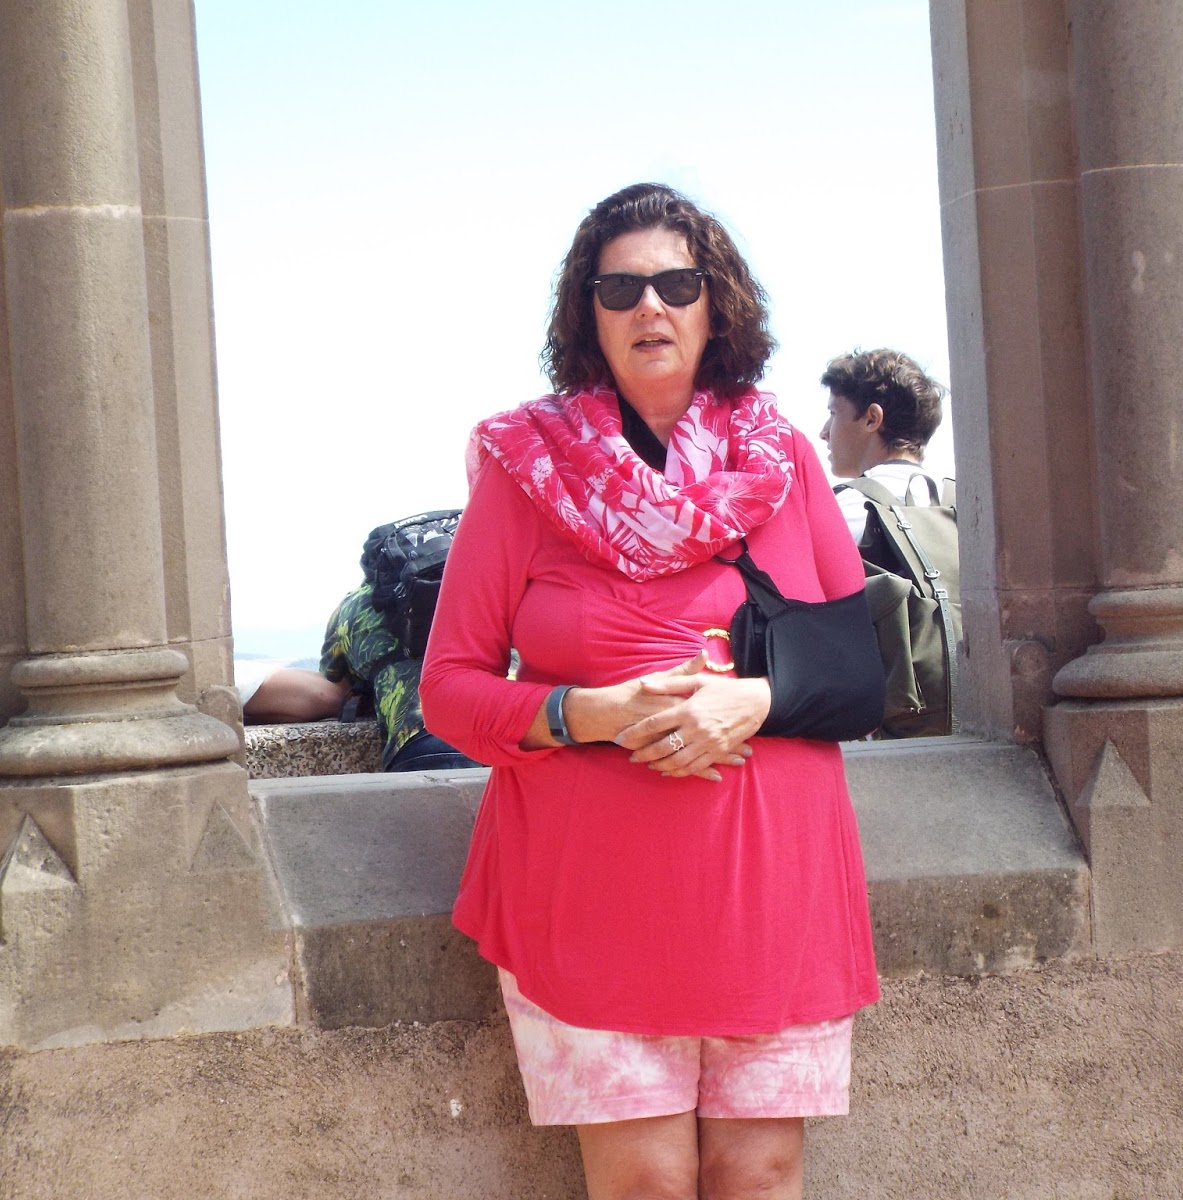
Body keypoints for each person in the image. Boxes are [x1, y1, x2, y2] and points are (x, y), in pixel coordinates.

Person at [420, 182, 879, 1200]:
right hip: (590, 894)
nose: (649, 307)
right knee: (646, 1183)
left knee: (760, 1174)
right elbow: (447, 689)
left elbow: (858, 674)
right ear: (587, 314)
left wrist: (753, 701)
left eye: (675, 284)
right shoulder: (524, 468)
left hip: (771, 890)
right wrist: (584, 714)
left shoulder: (784, 459)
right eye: (619, 289)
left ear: (717, 303)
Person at [322, 583, 479, 772]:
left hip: (420, 741)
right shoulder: (475, 587)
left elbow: (333, 683)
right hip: (496, 732)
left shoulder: (353, 606)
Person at [818, 348, 947, 542]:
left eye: (833, 413)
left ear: (872, 419)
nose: (824, 433)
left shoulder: (842, 511)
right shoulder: (956, 505)